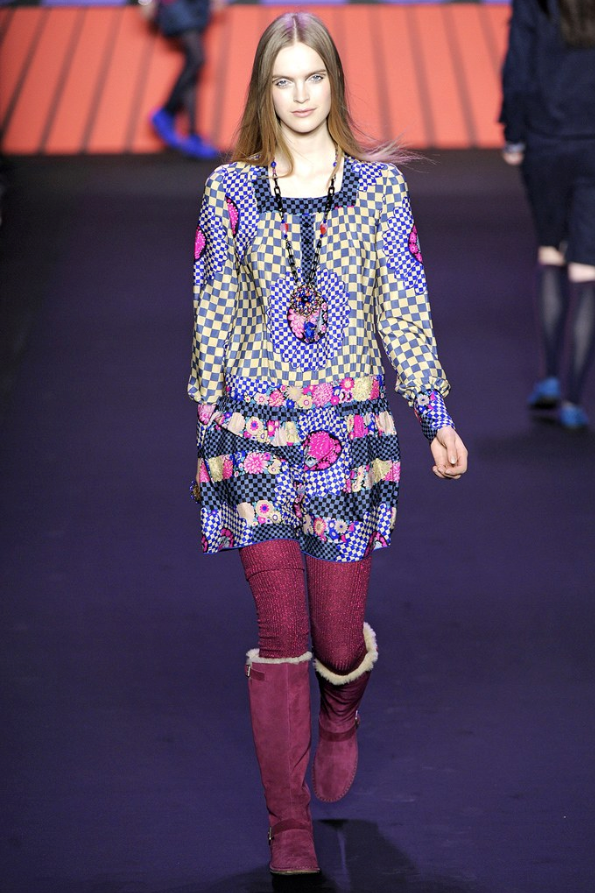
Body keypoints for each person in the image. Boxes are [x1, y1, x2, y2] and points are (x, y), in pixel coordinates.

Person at [189, 12, 468, 875]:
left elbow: (404, 307)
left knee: (336, 638)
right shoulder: (230, 190)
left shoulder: (379, 191)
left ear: (334, 84)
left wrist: (434, 414)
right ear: (263, 91)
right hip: (253, 433)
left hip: (347, 438)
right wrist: (207, 424)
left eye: (313, 78)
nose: (301, 95)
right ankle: (289, 829)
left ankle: (340, 706)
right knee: (281, 629)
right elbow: (213, 308)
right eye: (284, 81)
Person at [500, 0, 595, 430]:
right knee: (588, 271)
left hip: (546, 143)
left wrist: (514, 135)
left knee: (551, 253)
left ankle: (551, 379)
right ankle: (573, 401)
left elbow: (519, 70)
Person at [148, 0, 220, 159]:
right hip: (178, 4)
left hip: (198, 5)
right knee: (197, 59)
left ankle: (193, 136)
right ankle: (166, 111)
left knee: (192, 66)